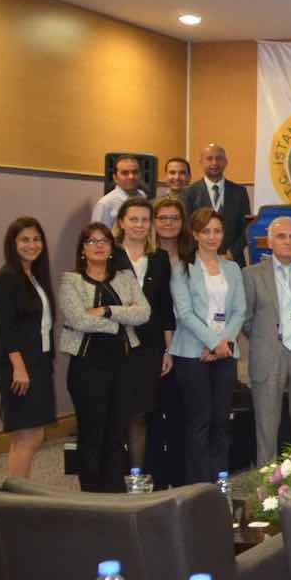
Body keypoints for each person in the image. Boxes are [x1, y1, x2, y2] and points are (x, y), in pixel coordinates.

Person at [60, 223, 150, 491]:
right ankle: (91, 493)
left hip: (123, 364)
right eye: (91, 241)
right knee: (92, 431)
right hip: (87, 367)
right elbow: (78, 320)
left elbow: (144, 313)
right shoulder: (71, 281)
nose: (98, 246)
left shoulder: (125, 277)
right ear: (82, 249)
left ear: (112, 248)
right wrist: (120, 321)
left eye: (104, 241)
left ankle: (114, 491)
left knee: (116, 432)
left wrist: (107, 311)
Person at [168, 209, 244, 484]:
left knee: (221, 420)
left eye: (217, 231)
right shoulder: (182, 268)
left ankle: (219, 482)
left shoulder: (232, 268)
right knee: (199, 422)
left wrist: (223, 344)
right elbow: (185, 313)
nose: (212, 237)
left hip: (226, 353)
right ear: (195, 234)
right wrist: (213, 343)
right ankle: (198, 486)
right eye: (206, 231)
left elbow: (240, 310)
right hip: (192, 354)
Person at [240, 215, 291, 466]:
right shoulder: (251, 274)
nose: (287, 241)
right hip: (268, 352)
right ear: (269, 241)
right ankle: (266, 476)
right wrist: (265, 337)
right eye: (281, 236)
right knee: (266, 423)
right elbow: (245, 319)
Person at [0, 217, 58, 478]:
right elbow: (5, 329)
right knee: (27, 436)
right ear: (13, 243)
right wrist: (19, 368)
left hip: (37, 363)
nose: (32, 245)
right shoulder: (6, 279)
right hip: (18, 368)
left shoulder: (33, 276)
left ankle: (19, 490)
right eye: (25, 240)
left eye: (37, 239)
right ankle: (18, 494)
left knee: (30, 435)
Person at [113, 197, 173, 473]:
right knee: (117, 413)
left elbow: (165, 308)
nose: (139, 225)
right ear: (121, 222)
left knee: (140, 413)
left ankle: (137, 476)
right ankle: (114, 476)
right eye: (133, 219)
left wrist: (167, 350)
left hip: (150, 347)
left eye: (145, 220)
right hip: (115, 344)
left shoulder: (160, 258)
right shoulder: (110, 256)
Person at [148, 198, 191, 486]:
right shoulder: (148, 257)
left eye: (174, 218)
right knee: (153, 412)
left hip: (189, 343)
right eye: (162, 217)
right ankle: (157, 477)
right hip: (157, 344)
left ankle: (179, 476)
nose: (168, 223)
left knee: (181, 413)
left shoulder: (192, 256)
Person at [181, 143, 251, 265]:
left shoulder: (240, 192)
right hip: (199, 261)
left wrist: (231, 253)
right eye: (209, 158)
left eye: (219, 158)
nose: (214, 163)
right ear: (201, 162)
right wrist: (203, 255)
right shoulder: (188, 193)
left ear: (226, 162)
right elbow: (187, 229)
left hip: (233, 261)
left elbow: (246, 227)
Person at [92, 155, 148, 228]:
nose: (131, 177)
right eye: (125, 173)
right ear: (115, 178)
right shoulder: (105, 204)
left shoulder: (143, 196)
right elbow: (96, 234)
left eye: (135, 172)